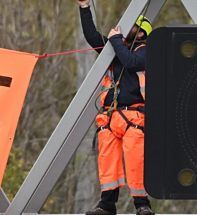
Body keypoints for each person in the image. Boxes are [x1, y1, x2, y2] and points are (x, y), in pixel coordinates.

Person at [77, 0, 153, 215]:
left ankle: (142, 205)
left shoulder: (145, 51)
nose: (123, 30)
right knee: (107, 162)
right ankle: (107, 205)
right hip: (111, 118)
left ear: (140, 34)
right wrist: (84, 7)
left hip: (135, 117)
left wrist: (116, 39)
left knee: (136, 162)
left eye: (131, 27)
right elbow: (92, 36)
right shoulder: (115, 50)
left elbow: (131, 62)